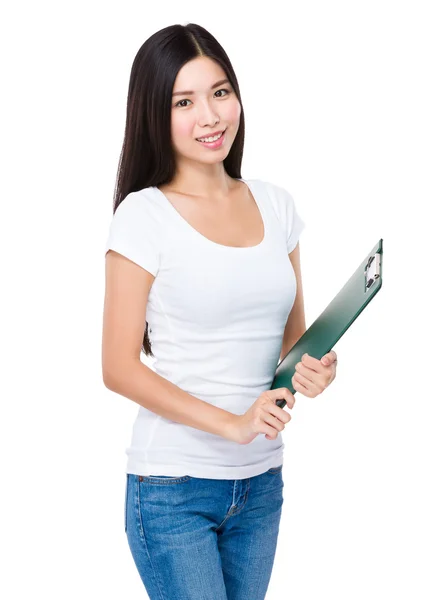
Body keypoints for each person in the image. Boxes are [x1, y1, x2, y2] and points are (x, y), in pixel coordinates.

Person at [102, 22, 338, 600]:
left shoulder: (276, 206)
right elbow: (118, 367)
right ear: (155, 113)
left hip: (261, 485)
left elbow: (292, 343)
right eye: (184, 101)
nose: (210, 116)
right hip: (173, 488)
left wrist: (317, 369)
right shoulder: (143, 216)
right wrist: (232, 424)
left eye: (220, 92)